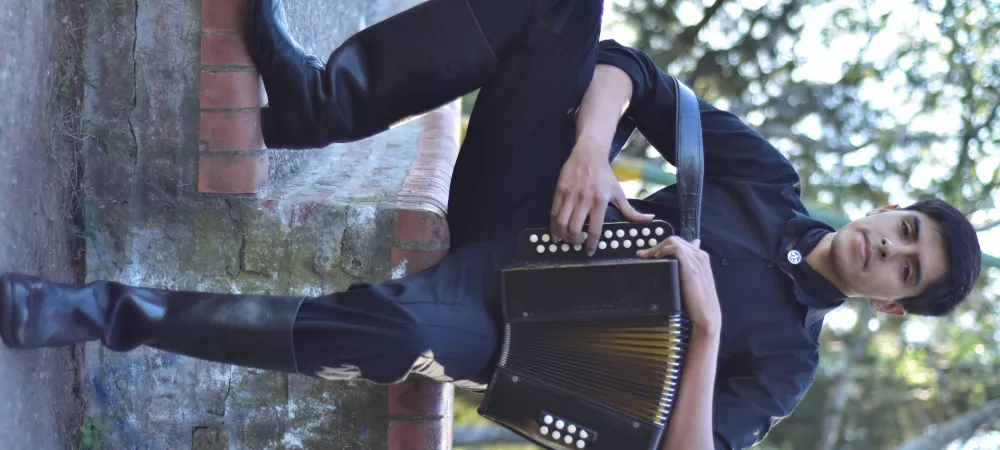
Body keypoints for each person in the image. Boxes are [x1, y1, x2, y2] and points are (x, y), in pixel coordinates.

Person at [0, 0, 981, 448]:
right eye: (902, 229)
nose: (886, 248)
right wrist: (593, 145)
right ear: (887, 206)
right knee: (561, 7)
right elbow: (629, 70)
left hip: (513, 330)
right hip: (517, 203)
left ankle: (98, 310)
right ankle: (318, 105)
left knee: (398, 334)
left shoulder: (786, 365)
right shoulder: (769, 181)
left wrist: (709, 320)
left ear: (892, 307)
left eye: (904, 268)